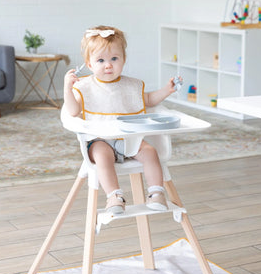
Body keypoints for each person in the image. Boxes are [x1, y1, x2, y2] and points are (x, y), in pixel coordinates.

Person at [63, 25, 180, 214]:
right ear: (90, 64)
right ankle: (114, 196)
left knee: (150, 152)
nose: (108, 64)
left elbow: (148, 100)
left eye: (114, 59)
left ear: (123, 60)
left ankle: (156, 192)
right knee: (102, 155)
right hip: (99, 139)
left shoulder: (130, 85)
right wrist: (67, 88)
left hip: (128, 139)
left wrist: (166, 91)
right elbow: (73, 111)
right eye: (100, 60)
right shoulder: (85, 87)